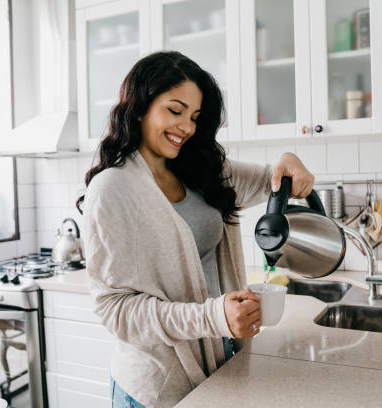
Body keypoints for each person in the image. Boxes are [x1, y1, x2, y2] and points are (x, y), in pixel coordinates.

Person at [77, 51, 314, 408]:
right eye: (175, 111)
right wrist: (214, 316)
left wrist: (290, 160)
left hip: (218, 366)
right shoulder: (113, 188)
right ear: (140, 107)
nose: (186, 127)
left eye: (194, 117)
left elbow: (275, 179)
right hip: (155, 389)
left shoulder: (201, 171)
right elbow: (117, 311)